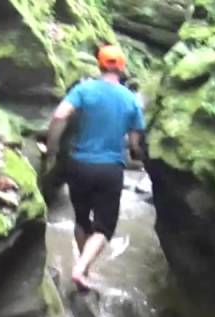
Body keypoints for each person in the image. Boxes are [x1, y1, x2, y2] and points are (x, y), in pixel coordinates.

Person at [44, 44, 146, 289]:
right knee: (104, 228)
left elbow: (59, 116)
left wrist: (52, 148)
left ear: (99, 65)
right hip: (109, 169)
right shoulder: (131, 100)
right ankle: (80, 269)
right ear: (122, 68)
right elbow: (134, 143)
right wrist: (137, 154)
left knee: (81, 220)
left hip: (78, 165)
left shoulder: (83, 90)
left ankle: (83, 270)